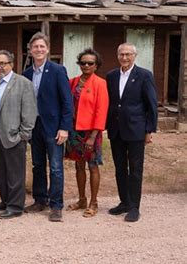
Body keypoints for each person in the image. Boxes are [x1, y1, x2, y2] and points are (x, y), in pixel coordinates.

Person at [22, 32, 73, 222]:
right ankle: (40, 199)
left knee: (56, 168)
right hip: (34, 127)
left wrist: (64, 127)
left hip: (54, 128)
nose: (39, 50)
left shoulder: (58, 70)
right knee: (37, 165)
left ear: (48, 49)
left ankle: (56, 205)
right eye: (35, 47)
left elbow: (67, 102)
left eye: (42, 46)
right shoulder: (26, 73)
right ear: (30, 50)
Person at [106, 42, 157, 222]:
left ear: (134, 56)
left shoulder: (144, 75)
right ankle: (124, 202)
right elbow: (111, 103)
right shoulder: (111, 76)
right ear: (117, 55)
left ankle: (135, 207)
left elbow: (151, 104)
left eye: (128, 54)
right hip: (116, 130)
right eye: (122, 54)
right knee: (120, 168)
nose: (125, 58)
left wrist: (149, 129)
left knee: (135, 169)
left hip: (136, 129)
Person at [0, 50, 37, 219]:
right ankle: (6, 200)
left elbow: (29, 112)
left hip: (14, 136)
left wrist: (23, 135)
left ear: (11, 64)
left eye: (3, 63)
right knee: (1, 171)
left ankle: (15, 206)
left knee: (15, 173)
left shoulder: (22, 83)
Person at [65, 48, 109, 218]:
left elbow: (101, 110)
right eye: (83, 62)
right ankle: (82, 199)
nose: (86, 65)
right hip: (75, 130)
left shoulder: (100, 83)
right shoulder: (73, 82)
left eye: (90, 63)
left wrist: (93, 136)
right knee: (78, 165)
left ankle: (93, 202)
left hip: (91, 131)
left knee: (93, 166)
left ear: (96, 65)